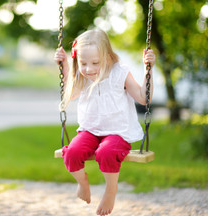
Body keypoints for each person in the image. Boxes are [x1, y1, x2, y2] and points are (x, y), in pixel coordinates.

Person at [54, 28, 156, 216]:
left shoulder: (120, 73)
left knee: (106, 153)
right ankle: (82, 182)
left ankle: (111, 189)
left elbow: (143, 98)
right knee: (72, 153)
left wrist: (147, 69)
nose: (89, 69)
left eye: (95, 63)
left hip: (117, 132)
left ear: (108, 57)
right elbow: (70, 96)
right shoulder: (83, 76)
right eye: (83, 63)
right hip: (89, 130)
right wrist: (66, 67)